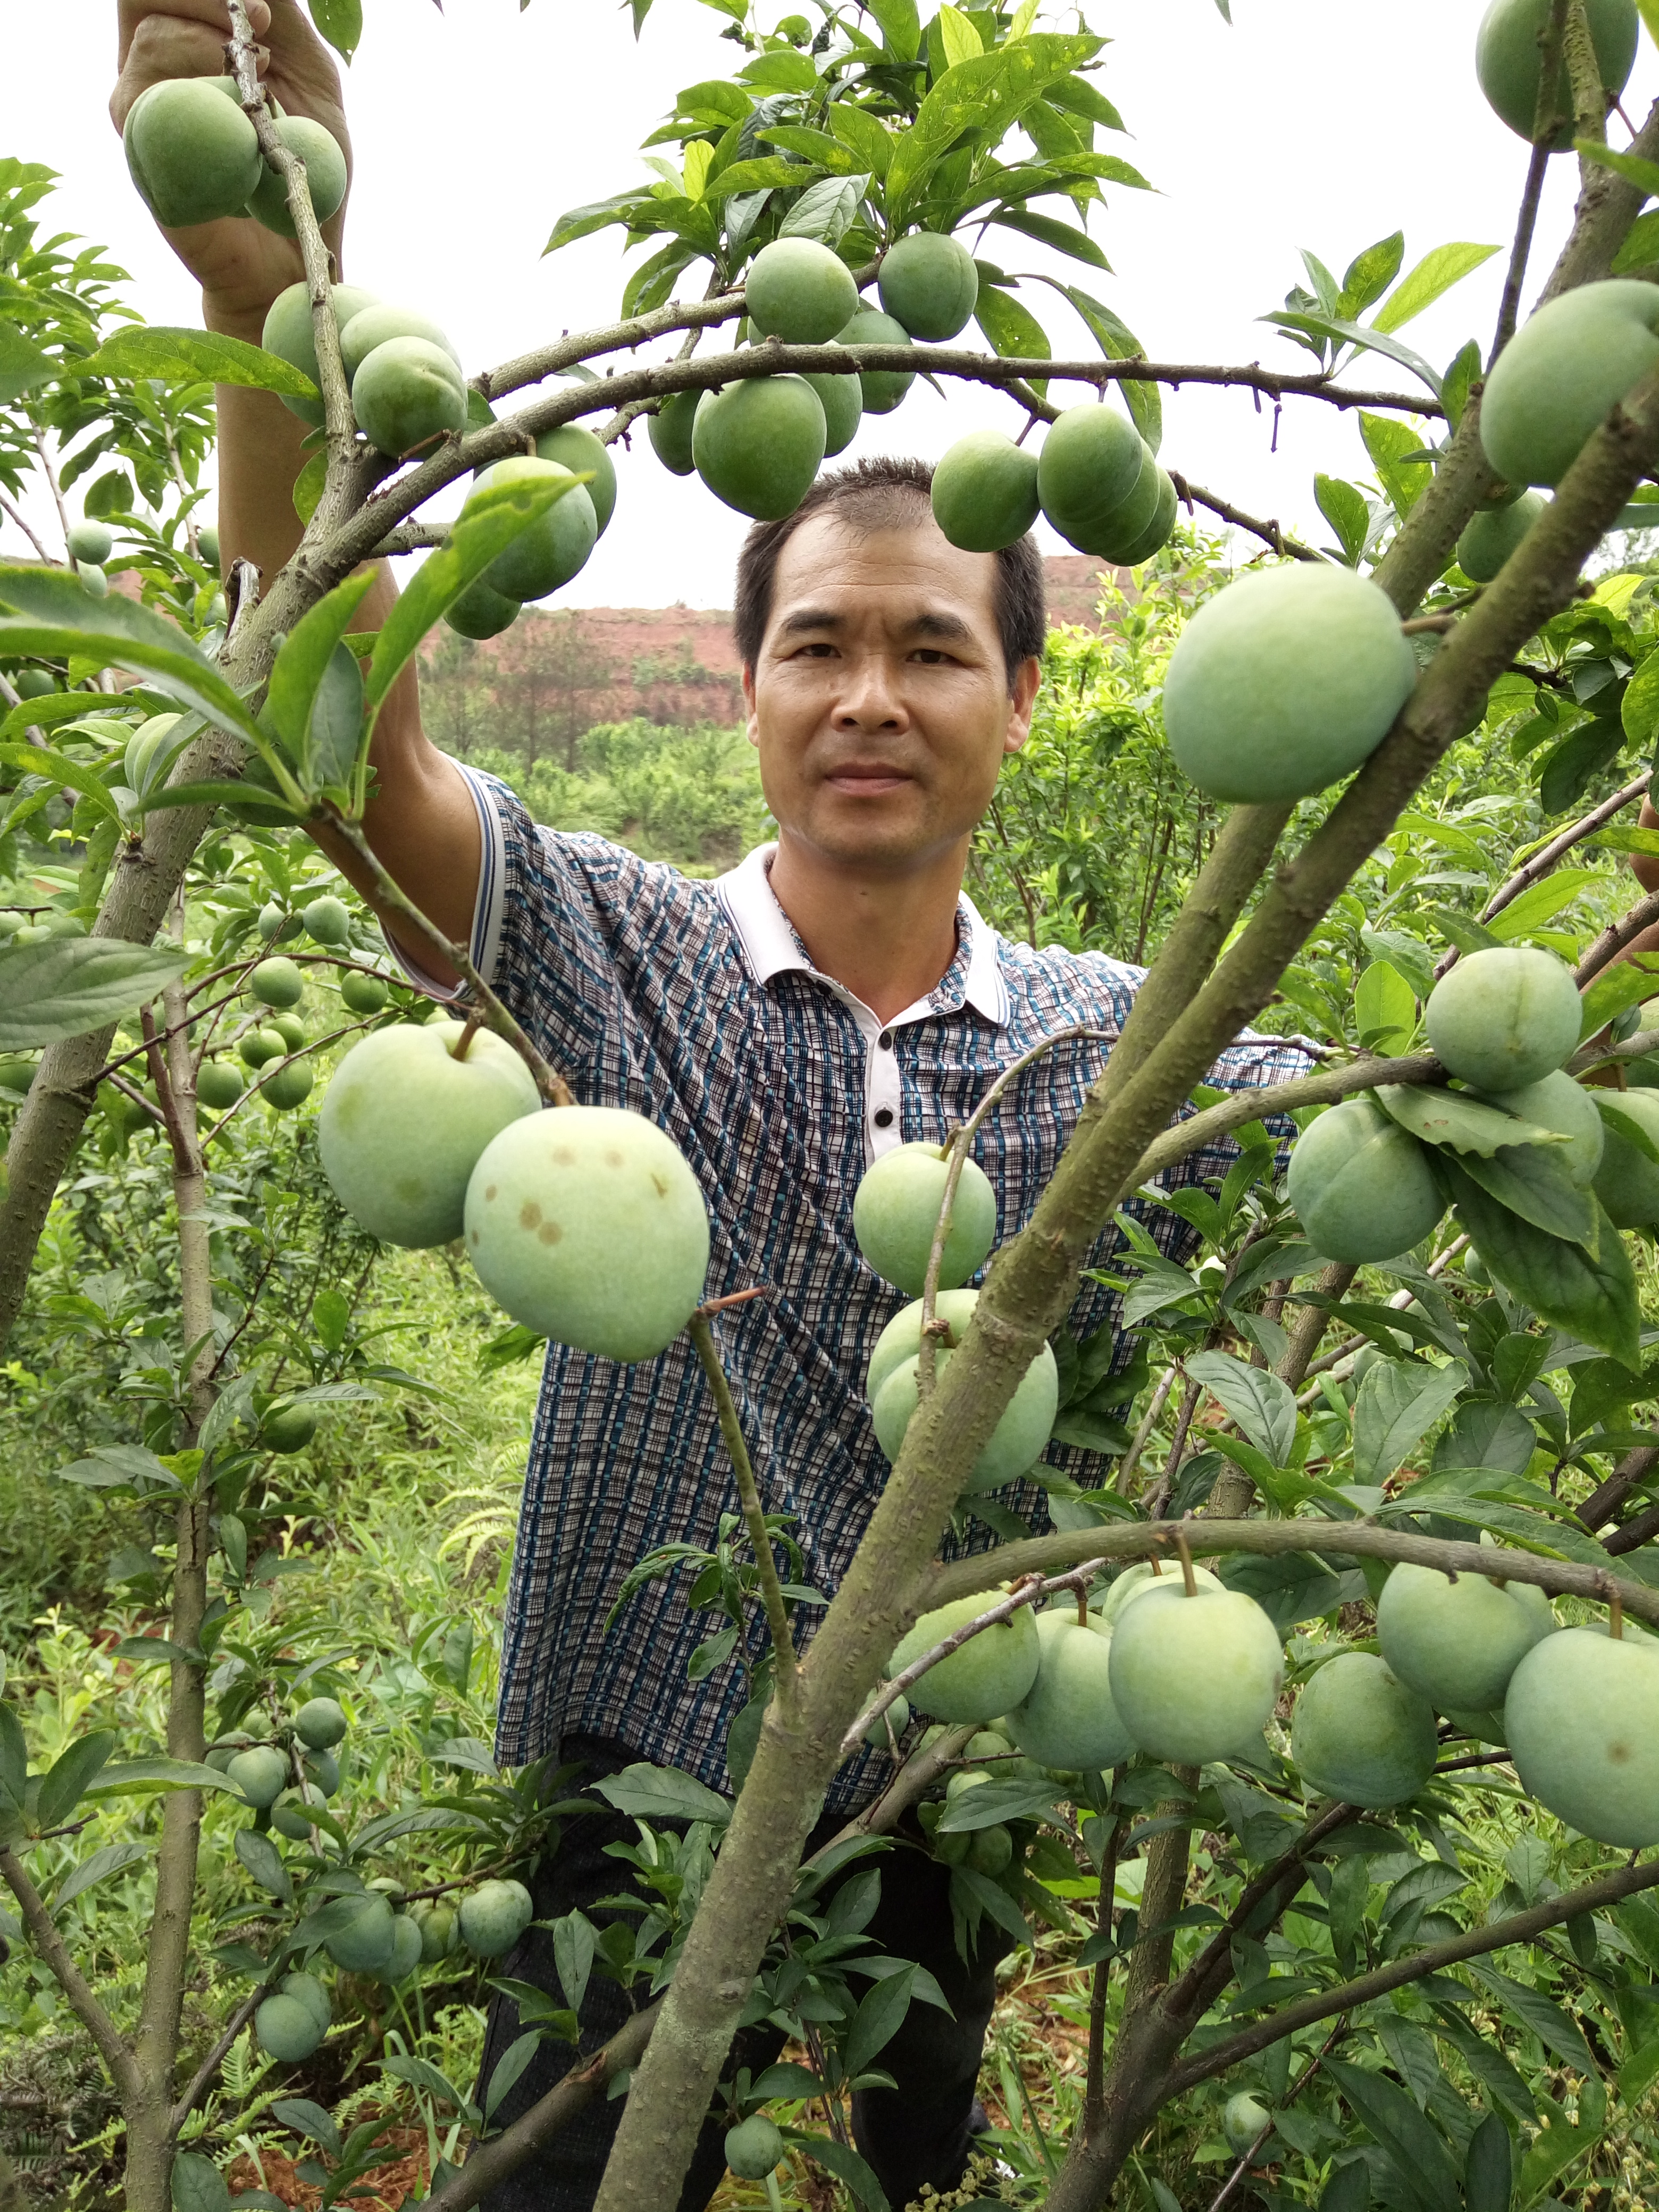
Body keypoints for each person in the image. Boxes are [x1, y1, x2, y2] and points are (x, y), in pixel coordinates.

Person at [113, 7, 1311, 2202]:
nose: (872, 693)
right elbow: (349, 744)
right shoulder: (607, 949)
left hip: (952, 1758)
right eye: (820, 644)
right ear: (748, 685)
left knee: (910, 2165)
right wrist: (263, 304)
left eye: (934, 648)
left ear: (1024, 702)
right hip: (622, 1746)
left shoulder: (1118, 1042)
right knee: (562, 2174)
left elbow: (1389, 1136)